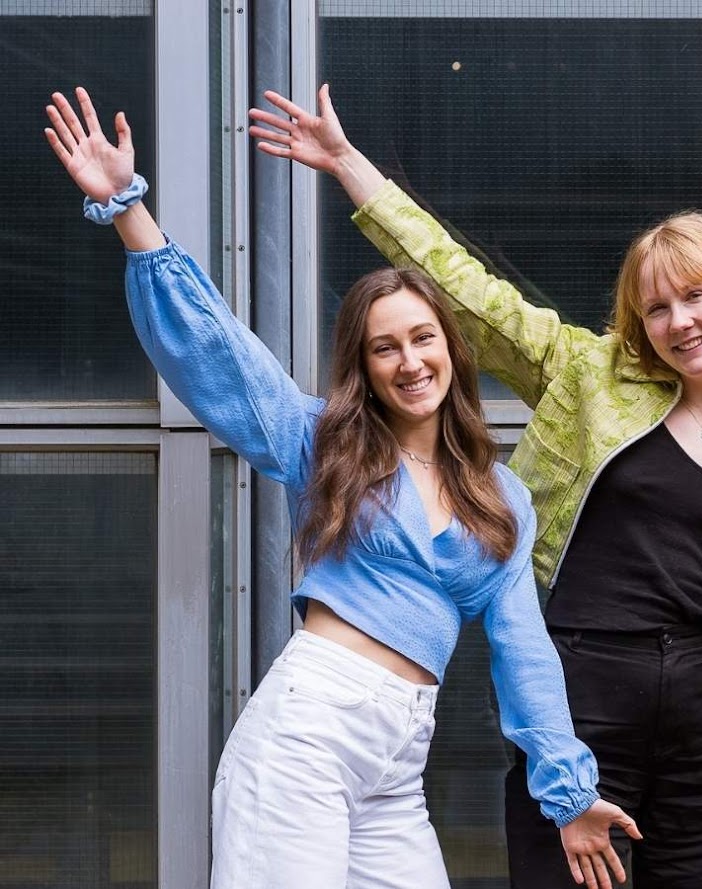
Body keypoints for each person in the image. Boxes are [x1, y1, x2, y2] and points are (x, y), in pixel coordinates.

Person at [43, 87, 639, 889]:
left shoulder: (500, 496)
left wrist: (570, 793)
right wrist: (127, 209)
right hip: (307, 732)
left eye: (424, 338)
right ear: (365, 368)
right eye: (384, 347)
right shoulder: (326, 440)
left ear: (453, 353)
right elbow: (219, 354)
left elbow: (524, 653)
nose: (410, 360)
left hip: (397, 764)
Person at [248, 85, 702, 888]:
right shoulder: (591, 376)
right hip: (585, 690)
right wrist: (351, 167)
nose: (679, 321)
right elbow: (466, 295)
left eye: (696, 294)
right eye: (656, 306)